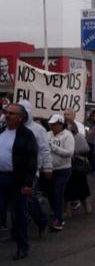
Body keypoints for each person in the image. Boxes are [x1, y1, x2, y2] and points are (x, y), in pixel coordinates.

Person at [0, 103, 37, 260]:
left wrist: (28, 184)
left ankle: (22, 247)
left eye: (11, 113)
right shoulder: (1, 132)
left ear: (20, 118)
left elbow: (31, 161)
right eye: (6, 112)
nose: (7, 115)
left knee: (19, 215)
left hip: (17, 180)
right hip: (1, 178)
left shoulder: (27, 135)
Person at [18, 100, 52, 238]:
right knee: (15, 201)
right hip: (13, 171)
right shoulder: (12, 128)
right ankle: (17, 231)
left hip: (31, 171)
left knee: (29, 199)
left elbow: (45, 149)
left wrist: (48, 167)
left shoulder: (38, 130)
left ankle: (42, 222)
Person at [47, 114, 75, 231]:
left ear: (60, 124)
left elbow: (69, 153)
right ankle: (57, 213)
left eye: (54, 124)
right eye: (51, 124)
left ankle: (58, 219)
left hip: (63, 169)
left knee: (58, 193)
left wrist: (53, 147)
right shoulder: (48, 134)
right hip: (49, 169)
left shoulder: (67, 135)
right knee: (50, 193)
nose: (52, 126)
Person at [64, 120, 92, 217]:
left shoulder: (78, 136)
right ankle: (67, 211)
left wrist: (73, 151)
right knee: (66, 190)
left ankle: (86, 205)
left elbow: (86, 148)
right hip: (66, 166)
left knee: (82, 189)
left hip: (77, 166)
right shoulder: (62, 136)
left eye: (68, 124)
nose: (66, 126)